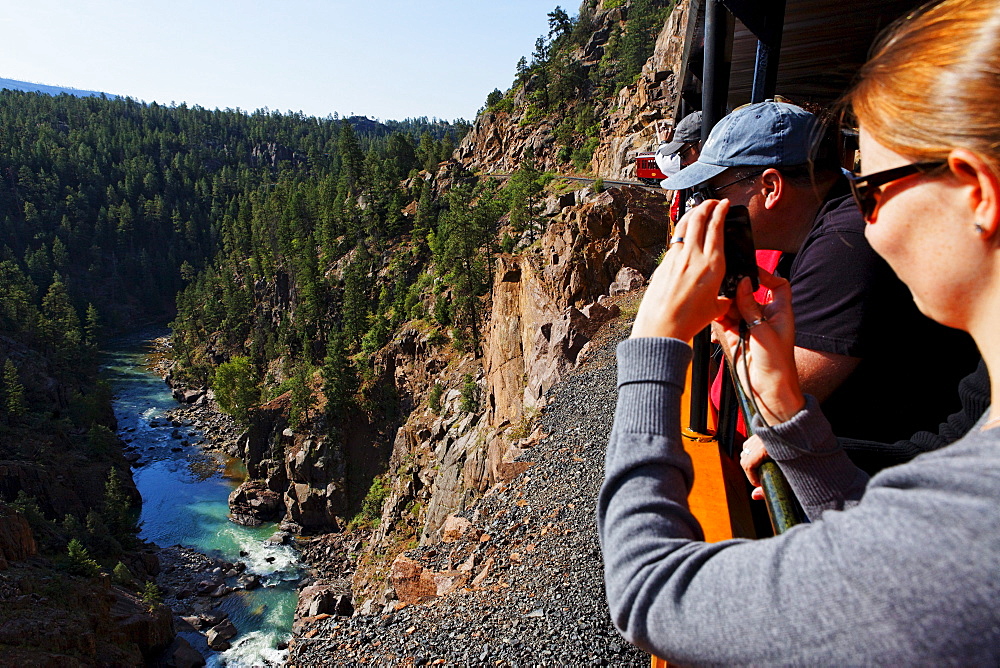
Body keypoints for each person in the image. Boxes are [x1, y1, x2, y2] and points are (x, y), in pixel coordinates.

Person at [598, 0, 1000, 662]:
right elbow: (883, 554)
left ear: (975, 191)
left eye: (869, 189)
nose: (867, 225)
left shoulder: (967, 527)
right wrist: (789, 417)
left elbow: (647, 595)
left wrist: (654, 345)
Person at [661, 99, 977, 444]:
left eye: (712, 191)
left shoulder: (847, 243)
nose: (706, 205)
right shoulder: (822, 227)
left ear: (770, 188)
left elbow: (771, 402)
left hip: (894, 477)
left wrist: (720, 305)